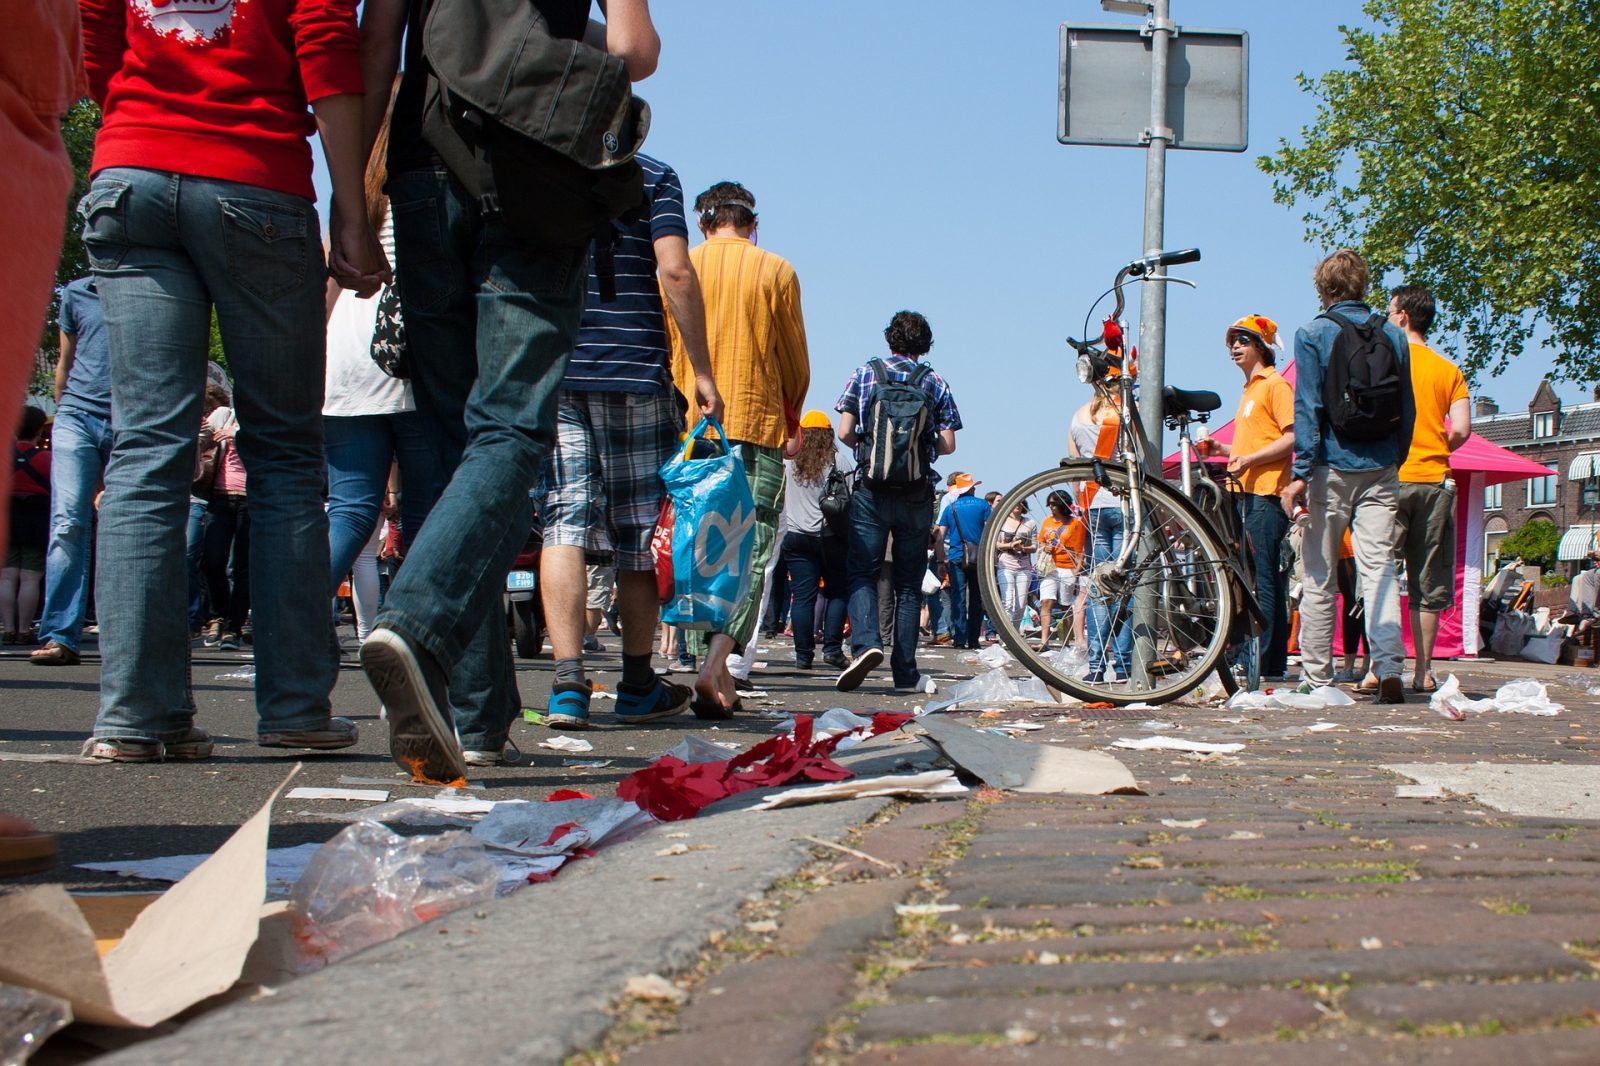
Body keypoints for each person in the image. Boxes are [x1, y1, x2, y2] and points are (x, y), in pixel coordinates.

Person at [356, 0, 661, 779]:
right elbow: (634, 47)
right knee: (510, 430)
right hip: (537, 170)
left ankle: (479, 713)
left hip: (423, 162)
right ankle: (417, 625)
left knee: (459, 450)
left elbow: (377, 43)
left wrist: (349, 198)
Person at [78, 0, 385, 761]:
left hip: (131, 171)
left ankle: (137, 717)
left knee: (147, 451)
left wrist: (142, 125)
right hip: (254, 179)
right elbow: (325, 50)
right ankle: (293, 709)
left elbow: (94, 47)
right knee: (281, 452)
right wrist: (351, 209)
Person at [538, 149, 721, 733]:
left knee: (564, 521)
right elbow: (675, 271)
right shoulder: (654, 174)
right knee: (639, 530)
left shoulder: (541, 162)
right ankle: (637, 682)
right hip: (633, 368)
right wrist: (701, 369)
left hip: (556, 366)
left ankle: (568, 683)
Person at [664, 180, 810, 718]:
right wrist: (792, 413)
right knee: (751, 547)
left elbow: (666, 344)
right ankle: (717, 663)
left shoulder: (681, 267)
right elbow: (794, 360)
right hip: (756, 421)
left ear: (703, 224)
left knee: (705, 548)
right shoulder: (777, 270)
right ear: (753, 225)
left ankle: (713, 669)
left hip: (694, 428)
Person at [322, 96, 438, 652]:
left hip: (343, 355)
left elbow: (326, 283)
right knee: (422, 509)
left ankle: (293, 616)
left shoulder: (354, 194)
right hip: (407, 353)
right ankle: (404, 634)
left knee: (349, 508)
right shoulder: (424, 181)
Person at [1279, 249, 1414, 702]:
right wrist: (1395, 456)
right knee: (1379, 568)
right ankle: (1390, 665)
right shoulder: (1393, 336)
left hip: (1330, 467)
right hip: (1381, 466)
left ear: (1324, 287)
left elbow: (1309, 407)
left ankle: (1318, 675)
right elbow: (1407, 406)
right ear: (1363, 285)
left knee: (1319, 573)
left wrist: (1300, 472)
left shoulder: (1313, 333)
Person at [835, 311, 960, 693]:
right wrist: (918, 446)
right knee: (908, 584)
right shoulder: (934, 381)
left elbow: (843, 432)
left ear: (890, 338)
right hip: (916, 492)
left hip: (872, 490)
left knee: (862, 572)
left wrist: (870, 445)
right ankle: (905, 672)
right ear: (925, 344)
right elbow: (949, 445)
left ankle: (866, 644)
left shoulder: (864, 372)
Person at [1389, 284, 1469, 693]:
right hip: (1435, 481)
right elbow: (1460, 429)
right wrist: (1438, 446)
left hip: (1392, 478)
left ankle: (1378, 668)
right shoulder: (1448, 369)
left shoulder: (1388, 362)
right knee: (1427, 581)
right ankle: (1422, 672)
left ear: (1402, 314)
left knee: (1381, 575)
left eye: (1390, 309)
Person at [30, 278, 112, 667]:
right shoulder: (78, 294)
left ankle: (126, 635)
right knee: (67, 522)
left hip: (133, 419)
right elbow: (64, 362)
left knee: (125, 527)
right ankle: (60, 634)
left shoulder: (149, 280)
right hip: (77, 415)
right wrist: (61, 411)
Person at [1213, 314, 1295, 681]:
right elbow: (1258, 443)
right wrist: (1223, 447)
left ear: (1261, 347)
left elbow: (1293, 438)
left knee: (1262, 580)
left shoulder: (1275, 386)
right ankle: (1271, 662)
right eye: (1233, 341)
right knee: (1266, 579)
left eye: (1243, 341)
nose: (1235, 347)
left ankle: (1259, 660)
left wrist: (1249, 459)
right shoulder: (1251, 390)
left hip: (1266, 493)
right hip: (1250, 491)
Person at [1070, 388, 1133, 682]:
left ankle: (1096, 666)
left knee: (1099, 587)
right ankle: (1123, 664)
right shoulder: (1125, 413)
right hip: (1123, 502)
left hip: (1093, 504)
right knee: (1125, 587)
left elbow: (1075, 471)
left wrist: (1079, 507)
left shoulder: (1078, 416)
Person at [780, 410, 850, 671]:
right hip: (830, 536)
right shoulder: (838, 461)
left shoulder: (789, 461)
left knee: (802, 598)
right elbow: (850, 498)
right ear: (829, 434)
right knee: (837, 592)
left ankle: (803, 655)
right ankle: (832, 649)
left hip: (795, 536)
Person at [200, 400, 250, 650]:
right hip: (219, 497)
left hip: (251, 500)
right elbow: (202, 439)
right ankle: (217, 616)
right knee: (212, 560)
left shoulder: (261, 417)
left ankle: (234, 627)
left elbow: (270, 447)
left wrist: (238, 435)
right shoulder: (224, 414)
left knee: (242, 567)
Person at [4, 407, 51, 646]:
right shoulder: (47, 458)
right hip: (36, 519)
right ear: (39, 429)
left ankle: (8, 628)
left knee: (7, 576)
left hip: (7, 518)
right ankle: (24, 629)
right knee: (31, 577)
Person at [936, 473, 989, 651]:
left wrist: (940, 560)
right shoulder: (983, 505)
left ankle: (959, 639)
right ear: (972, 488)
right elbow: (991, 529)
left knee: (958, 598)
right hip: (978, 558)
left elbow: (940, 536)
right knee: (976, 599)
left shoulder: (950, 508)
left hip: (956, 556)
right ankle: (973, 639)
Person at [1035, 489, 1085, 653]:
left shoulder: (1075, 523)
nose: (1051, 507)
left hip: (1067, 567)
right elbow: (1040, 541)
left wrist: (1077, 570)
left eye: (1054, 504)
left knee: (1065, 605)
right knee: (1046, 602)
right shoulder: (1047, 521)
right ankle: (1044, 640)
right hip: (1050, 567)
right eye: (1049, 504)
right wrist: (1045, 547)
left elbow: (1080, 549)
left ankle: (1066, 641)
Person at [994, 501, 1036, 627]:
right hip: (1005, 565)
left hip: (1024, 566)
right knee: (1007, 602)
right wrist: (1011, 545)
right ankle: (1005, 632)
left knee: (1021, 603)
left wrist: (1023, 548)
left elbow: (1034, 546)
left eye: (1020, 503)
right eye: (1015, 503)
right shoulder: (1002, 521)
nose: (1017, 506)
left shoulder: (1030, 523)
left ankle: (1015, 630)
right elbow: (996, 544)